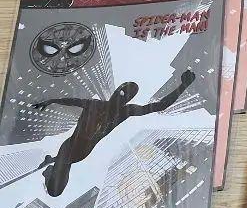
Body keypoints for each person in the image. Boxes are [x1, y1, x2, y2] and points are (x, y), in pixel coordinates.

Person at [31, 71, 196, 197]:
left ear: (128, 100)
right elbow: (70, 101)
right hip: (70, 145)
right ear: (116, 91)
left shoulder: (125, 111)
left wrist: (183, 86)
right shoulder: (93, 104)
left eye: (127, 96)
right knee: (57, 183)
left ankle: (52, 164)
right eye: (122, 91)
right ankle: (51, 163)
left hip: (80, 151)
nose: (122, 96)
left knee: (56, 187)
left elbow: (159, 106)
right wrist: (51, 101)